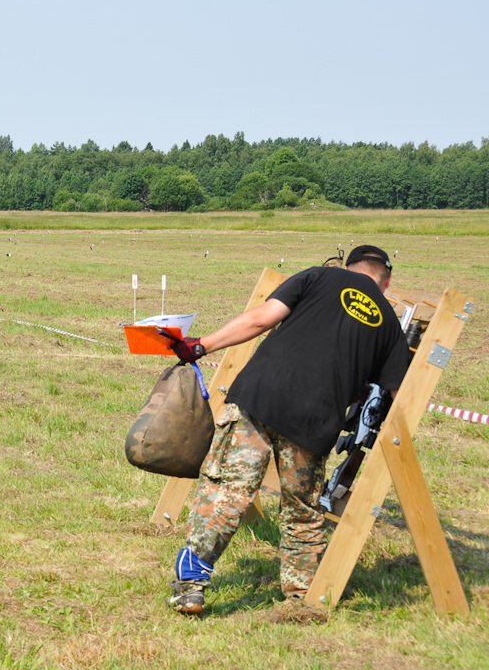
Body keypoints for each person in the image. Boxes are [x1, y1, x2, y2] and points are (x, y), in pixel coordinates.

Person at [165, 245, 412, 614]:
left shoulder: (319, 275)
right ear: (386, 280)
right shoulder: (391, 327)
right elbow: (396, 393)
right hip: (316, 424)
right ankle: (302, 599)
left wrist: (201, 345)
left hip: (260, 399)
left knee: (227, 492)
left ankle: (190, 588)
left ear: (348, 267)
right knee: (302, 511)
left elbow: (263, 318)